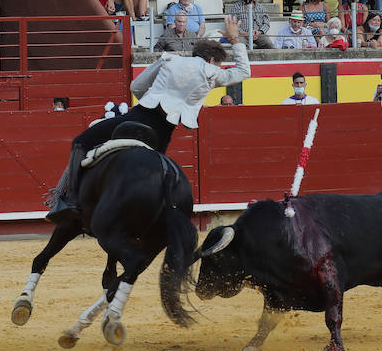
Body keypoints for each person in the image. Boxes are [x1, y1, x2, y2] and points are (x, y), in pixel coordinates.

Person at [47, 16, 252, 226]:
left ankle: (70, 200)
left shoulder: (169, 59)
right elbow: (245, 72)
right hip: (161, 134)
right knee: (159, 171)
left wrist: (151, 98)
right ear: (212, 61)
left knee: (81, 141)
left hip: (137, 117)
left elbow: (136, 87)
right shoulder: (211, 73)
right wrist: (235, 39)